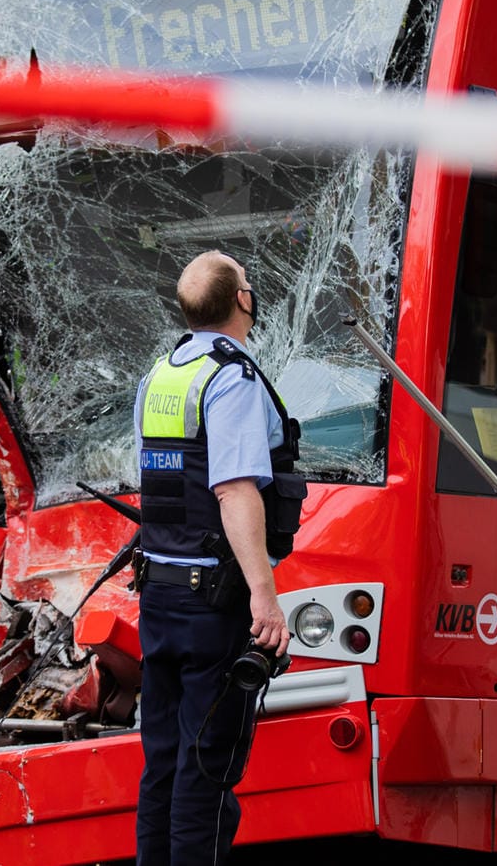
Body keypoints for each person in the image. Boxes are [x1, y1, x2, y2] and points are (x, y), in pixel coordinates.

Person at [132, 250, 303, 866]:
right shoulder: (231, 377)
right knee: (207, 767)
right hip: (214, 599)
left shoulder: (162, 374)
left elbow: (160, 483)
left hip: (161, 593)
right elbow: (234, 489)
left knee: (163, 766)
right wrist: (264, 592)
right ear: (243, 301)